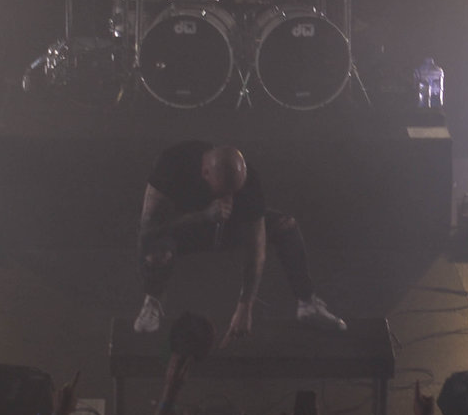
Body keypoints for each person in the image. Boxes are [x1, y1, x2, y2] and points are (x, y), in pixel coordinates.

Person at [134, 141, 343, 339]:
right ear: (205, 173)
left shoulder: (249, 181)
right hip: (186, 229)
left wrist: (245, 307)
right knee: (157, 250)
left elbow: (257, 248)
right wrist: (202, 216)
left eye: (234, 192)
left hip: (226, 228)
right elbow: (148, 231)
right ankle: (152, 302)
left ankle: (307, 303)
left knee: (285, 225)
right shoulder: (172, 163)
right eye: (224, 191)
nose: (229, 198)